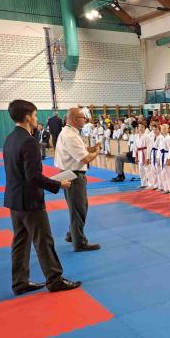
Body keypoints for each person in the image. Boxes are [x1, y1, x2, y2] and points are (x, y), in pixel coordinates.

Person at [3, 100, 80, 295]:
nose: (36, 119)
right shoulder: (29, 141)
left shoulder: (10, 138)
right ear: (27, 117)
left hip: (14, 199)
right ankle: (54, 279)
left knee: (20, 241)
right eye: (35, 115)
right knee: (43, 240)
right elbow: (33, 176)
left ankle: (19, 282)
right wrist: (58, 184)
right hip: (30, 201)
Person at [54, 108, 101, 252]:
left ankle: (72, 234)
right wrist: (97, 152)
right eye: (82, 117)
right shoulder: (70, 135)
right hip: (73, 175)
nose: (85, 120)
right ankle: (79, 242)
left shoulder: (69, 132)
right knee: (78, 209)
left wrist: (91, 148)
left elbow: (81, 150)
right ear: (74, 119)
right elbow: (85, 158)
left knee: (78, 208)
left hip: (69, 173)